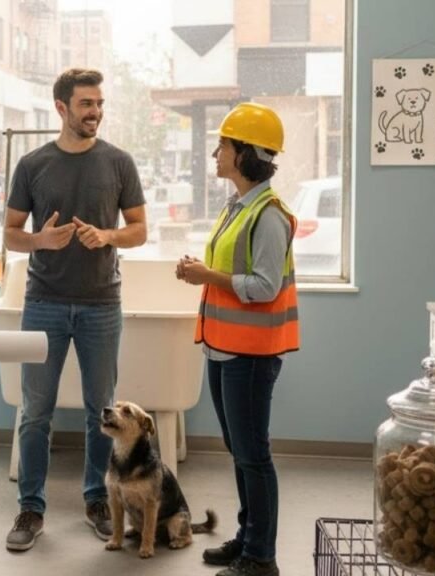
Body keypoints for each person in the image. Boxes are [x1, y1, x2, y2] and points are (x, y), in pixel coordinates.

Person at [2, 68, 148, 552]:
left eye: (100, 103)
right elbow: (10, 234)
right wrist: (40, 240)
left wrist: (107, 235)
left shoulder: (119, 163)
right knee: (35, 412)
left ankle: (96, 500)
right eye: (86, 103)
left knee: (98, 412)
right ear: (61, 107)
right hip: (42, 303)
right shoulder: (32, 164)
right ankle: (31, 507)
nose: (96, 112)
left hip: (101, 304)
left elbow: (139, 229)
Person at [174, 102, 299, 576]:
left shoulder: (268, 215)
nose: (215, 153)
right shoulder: (238, 206)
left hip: (250, 355)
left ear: (245, 153)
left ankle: (261, 558)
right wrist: (204, 273)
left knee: (253, 454)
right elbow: (235, 273)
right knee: (240, 450)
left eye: (223, 145)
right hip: (224, 348)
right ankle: (248, 538)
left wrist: (208, 275)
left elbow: (263, 287)